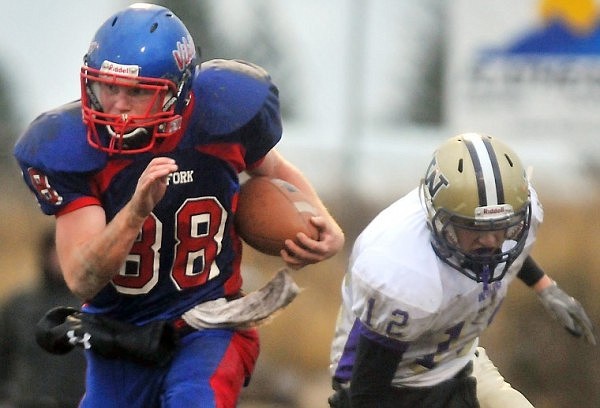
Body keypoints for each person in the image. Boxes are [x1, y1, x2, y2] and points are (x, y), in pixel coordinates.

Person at [13, 3, 344, 407]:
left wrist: (322, 221)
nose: (117, 106)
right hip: (121, 331)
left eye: (136, 92)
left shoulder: (223, 114)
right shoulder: (68, 150)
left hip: (209, 320)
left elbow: (271, 168)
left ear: (180, 91)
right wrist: (133, 215)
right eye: (108, 87)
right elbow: (82, 278)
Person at [328, 132, 596, 407]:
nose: (491, 241)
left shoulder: (515, 213)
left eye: (501, 227)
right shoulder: (402, 269)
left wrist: (544, 286)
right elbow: (367, 390)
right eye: (475, 229)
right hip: (394, 384)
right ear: (437, 220)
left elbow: (504, 249)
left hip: (458, 363)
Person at [0, 227, 86, 408]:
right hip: (27, 400)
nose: (58, 260)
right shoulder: (19, 305)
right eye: (54, 251)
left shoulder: (90, 307)